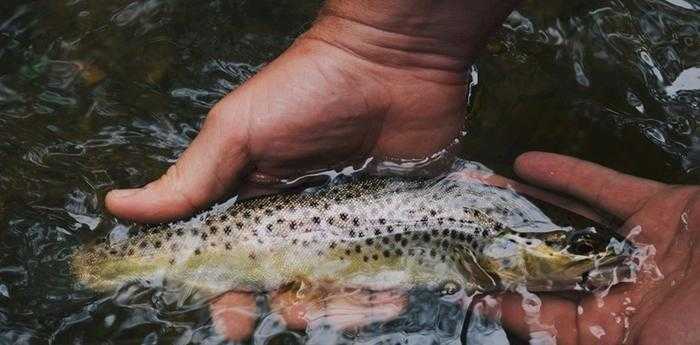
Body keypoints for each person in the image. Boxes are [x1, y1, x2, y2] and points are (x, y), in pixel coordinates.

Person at [103, 1, 700, 343]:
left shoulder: (495, 230)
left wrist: (384, 41)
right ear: (508, 249)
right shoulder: (496, 232)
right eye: (577, 248)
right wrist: (381, 44)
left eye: (581, 250)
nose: (598, 257)